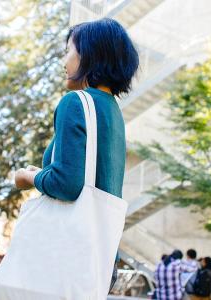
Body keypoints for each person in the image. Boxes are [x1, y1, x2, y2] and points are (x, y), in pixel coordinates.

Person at [12, 17, 139, 292]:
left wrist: (28, 177)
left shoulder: (75, 102)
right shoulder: (113, 112)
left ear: (89, 55)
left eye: (68, 51)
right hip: (100, 254)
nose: (63, 62)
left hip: (66, 252)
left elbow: (67, 184)